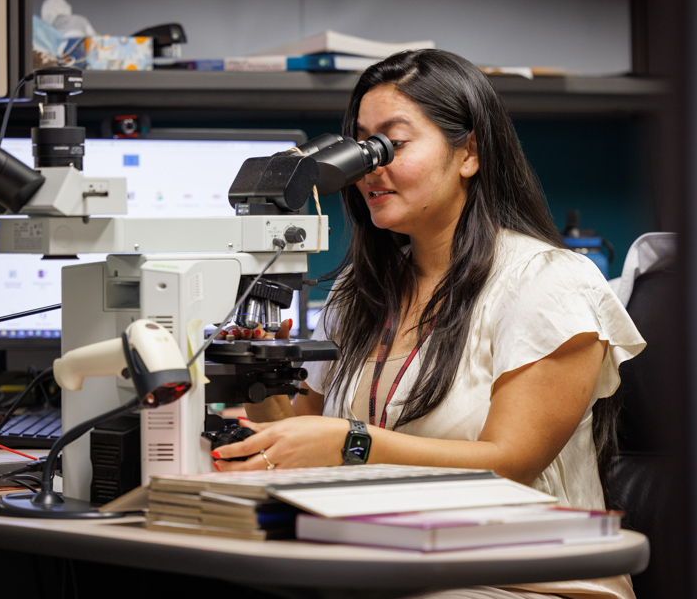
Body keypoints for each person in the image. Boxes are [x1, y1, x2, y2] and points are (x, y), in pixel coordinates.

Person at [212, 49, 646, 599]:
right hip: (382, 564)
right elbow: (298, 444)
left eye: (391, 144)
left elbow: (510, 463)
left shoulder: (550, 283)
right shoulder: (358, 295)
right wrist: (257, 378)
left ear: (468, 154)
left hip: (525, 578)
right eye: (360, 146)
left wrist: (353, 442)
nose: (370, 167)